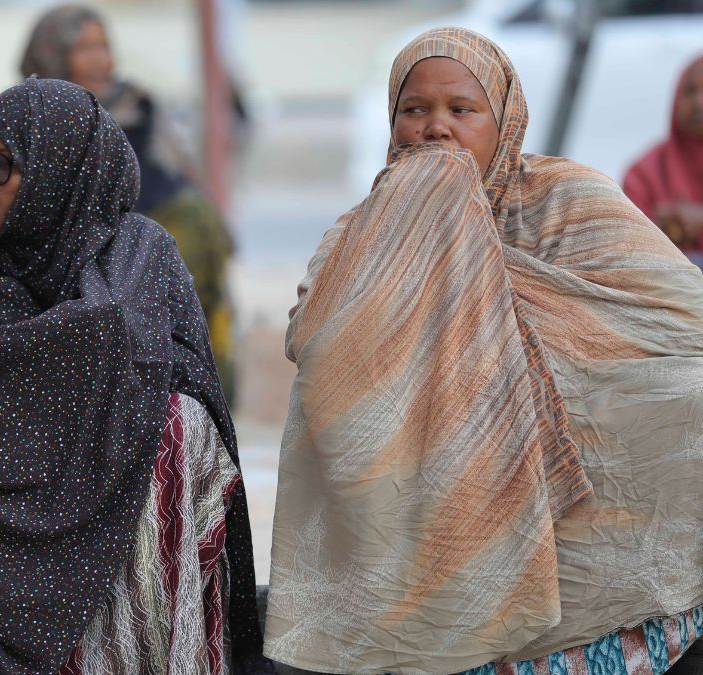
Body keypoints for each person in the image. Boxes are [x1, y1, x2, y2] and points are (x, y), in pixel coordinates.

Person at [264, 27, 703, 674]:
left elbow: (679, 339)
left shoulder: (568, 201)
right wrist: (416, 230)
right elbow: (319, 344)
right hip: (422, 539)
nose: (436, 129)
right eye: (415, 111)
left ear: (505, 123)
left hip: (585, 545)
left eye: (461, 110)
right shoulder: (363, 231)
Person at [0, 77, 271, 674]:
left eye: (1, 164)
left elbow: (117, 339)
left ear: (58, 172)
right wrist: (45, 373)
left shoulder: (137, 251)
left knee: (176, 425)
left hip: (120, 509)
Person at [19, 5, 238, 400]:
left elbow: (167, 176)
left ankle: (194, 394)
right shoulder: (28, 112)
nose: (101, 58)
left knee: (191, 228)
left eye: (104, 46)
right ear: (52, 52)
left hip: (142, 230)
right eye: (84, 48)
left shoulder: (135, 105)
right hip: (62, 250)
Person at [623, 55, 703, 265]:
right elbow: (626, 243)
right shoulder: (643, 172)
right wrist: (658, 228)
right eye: (690, 91)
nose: (698, 102)